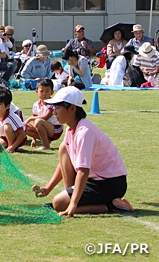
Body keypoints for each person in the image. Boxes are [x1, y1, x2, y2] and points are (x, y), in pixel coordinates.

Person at [32, 86, 133, 216]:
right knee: (63, 147)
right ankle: (71, 198)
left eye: (58, 108)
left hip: (109, 184)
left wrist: (73, 204)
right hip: (96, 180)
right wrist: (48, 188)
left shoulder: (85, 132)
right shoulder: (71, 129)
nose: (54, 112)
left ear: (73, 108)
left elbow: (83, 171)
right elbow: (65, 162)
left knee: (58, 203)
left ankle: (111, 206)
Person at [24, 79, 63, 150]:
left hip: (56, 129)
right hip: (43, 126)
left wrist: (30, 118)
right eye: (41, 91)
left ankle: (46, 146)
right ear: (36, 91)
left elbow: (45, 117)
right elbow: (34, 122)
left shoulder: (53, 103)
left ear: (52, 92)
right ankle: (46, 140)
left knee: (38, 121)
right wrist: (34, 139)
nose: (44, 94)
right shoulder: (36, 104)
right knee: (25, 127)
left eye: (47, 91)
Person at [0, 87, 26, 153]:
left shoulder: (11, 117)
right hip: (4, 137)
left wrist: (12, 147)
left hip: (18, 138)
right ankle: (10, 147)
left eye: (0, 104)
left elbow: (22, 134)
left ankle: (11, 147)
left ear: (7, 106)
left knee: (7, 127)